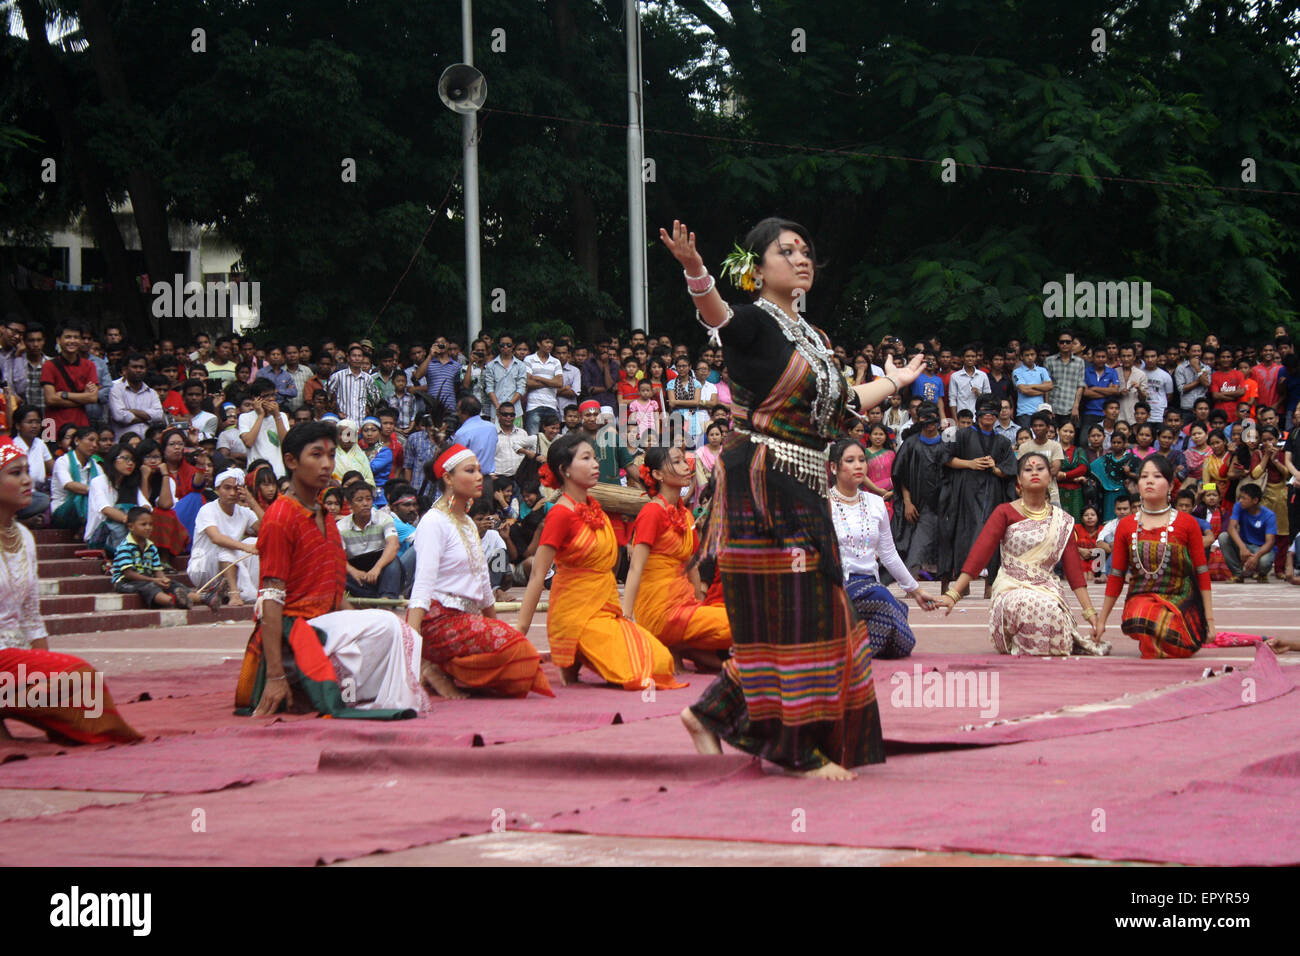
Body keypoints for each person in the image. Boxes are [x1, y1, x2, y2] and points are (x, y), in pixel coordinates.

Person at [659, 216, 924, 780]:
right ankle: (794, 748)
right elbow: (720, 319)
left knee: (817, 608)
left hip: (805, 482)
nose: (802, 259)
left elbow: (850, 401)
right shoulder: (754, 321)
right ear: (757, 270)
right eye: (787, 251)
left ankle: (714, 713)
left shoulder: (817, 338)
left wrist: (896, 382)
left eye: (806, 251)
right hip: (762, 477)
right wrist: (695, 270)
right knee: (793, 610)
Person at [234, 421, 432, 719]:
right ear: (291, 461)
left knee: (400, 632)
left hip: (327, 625)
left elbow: (335, 590)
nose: (327, 464)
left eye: (330, 455)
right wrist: (275, 677)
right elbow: (270, 600)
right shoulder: (279, 517)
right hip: (296, 631)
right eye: (316, 455)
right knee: (388, 625)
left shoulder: (325, 517)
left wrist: (356, 626)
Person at [0, 437, 141, 744]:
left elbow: (31, 615)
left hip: (13, 661)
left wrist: (43, 674)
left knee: (72, 690)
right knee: (80, 676)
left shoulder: (23, 536)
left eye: (27, 471)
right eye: (15, 473)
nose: (28, 480)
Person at [516, 431, 681, 691]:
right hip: (576, 615)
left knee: (661, 661)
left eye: (595, 457)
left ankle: (587, 656)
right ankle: (574, 649)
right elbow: (538, 574)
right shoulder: (560, 514)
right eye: (586, 458)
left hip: (605, 610)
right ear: (565, 470)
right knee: (643, 670)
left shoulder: (597, 510)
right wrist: (520, 633)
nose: (596, 464)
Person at [407, 443, 553, 698]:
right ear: (448, 478)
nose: (478, 477)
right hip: (437, 620)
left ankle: (444, 667)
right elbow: (423, 585)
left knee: (520, 666)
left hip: (465, 619)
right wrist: (412, 644)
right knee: (521, 655)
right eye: (470, 470)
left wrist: (495, 628)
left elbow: (485, 586)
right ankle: (428, 661)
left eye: (479, 470)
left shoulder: (466, 522)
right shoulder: (433, 522)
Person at [936, 453, 1109, 656]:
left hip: (1047, 589)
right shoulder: (1004, 512)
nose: (1034, 472)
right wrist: (953, 595)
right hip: (1011, 587)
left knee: (1049, 608)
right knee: (1026, 603)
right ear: (1018, 480)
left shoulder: (1063, 520)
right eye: (1027, 469)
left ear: (1050, 477)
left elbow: (1074, 572)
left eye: (1040, 469)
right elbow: (980, 554)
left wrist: (1092, 615)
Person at [622, 447, 732, 671]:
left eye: (685, 461)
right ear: (658, 475)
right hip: (660, 611)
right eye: (677, 462)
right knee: (743, 625)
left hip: (685, 606)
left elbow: (692, 567)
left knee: (739, 622)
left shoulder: (685, 514)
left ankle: (683, 647)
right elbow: (635, 568)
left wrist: (701, 606)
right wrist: (625, 618)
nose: (686, 466)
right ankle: (677, 643)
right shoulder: (652, 512)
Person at [1098, 455, 1217, 658]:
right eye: (1144, 477)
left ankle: (1163, 639)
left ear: (1170, 485)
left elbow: (1201, 572)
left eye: (1157, 476)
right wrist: (1101, 621)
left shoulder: (1187, 523)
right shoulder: (1126, 525)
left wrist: (1209, 621)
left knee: (1176, 637)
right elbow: (1116, 576)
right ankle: (1156, 638)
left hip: (1181, 602)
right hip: (1140, 601)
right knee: (1142, 616)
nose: (1149, 481)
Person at [829, 439, 936, 658]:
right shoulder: (823, 503)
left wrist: (915, 590)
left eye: (862, 460)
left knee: (902, 644)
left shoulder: (875, 503)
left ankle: (852, 647)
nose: (859, 466)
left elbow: (888, 553)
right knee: (885, 602)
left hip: (870, 584)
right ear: (833, 467)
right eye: (850, 461)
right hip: (837, 586)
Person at [939, 397, 1015, 594]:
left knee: (992, 535)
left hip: (992, 493)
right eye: (985, 410)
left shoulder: (1003, 441)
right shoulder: (959, 434)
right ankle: (962, 582)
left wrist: (995, 469)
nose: (989, 414)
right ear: (978, 413)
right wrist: (970, 463)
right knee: (963, 534)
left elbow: (1010, 469)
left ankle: (990, 583)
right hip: (965, 491)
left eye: (993, 411)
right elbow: (944, 458)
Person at [892, 403, 948, 582]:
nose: (930, 424)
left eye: (933, 419)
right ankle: (910, 579)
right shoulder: (911, 444)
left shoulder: (946, 443)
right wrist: (907, 502)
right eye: (925, 419)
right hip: (915, 501)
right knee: (916, 540)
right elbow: (901, 475)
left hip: (942, 501)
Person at [188, 469, 260, 605]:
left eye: (236, 489)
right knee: (227, 548)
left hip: (229, 565)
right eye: (227, 488)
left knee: (255, 542)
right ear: (217, 489)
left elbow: (266, 530)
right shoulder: (207, 509)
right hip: (203, 567)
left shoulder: (244, 512)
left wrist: (251, 500)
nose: (232, 493)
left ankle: (236, 591)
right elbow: (216, 538)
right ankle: (234, 595)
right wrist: (245, 547)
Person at [112, 507, 196, 609]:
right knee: (149, 587)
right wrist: (154, 580)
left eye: (150, 524)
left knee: (172, 584)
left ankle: (203, 598)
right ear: (131, 527)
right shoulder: (125, 547)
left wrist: (163, 579)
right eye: (143, 525)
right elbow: (129, 574)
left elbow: (157, 570)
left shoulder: (151, 546)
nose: (148, 528)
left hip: (147, 579)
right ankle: (173, 601)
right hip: (125, 582)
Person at [338, 482, 401, 601]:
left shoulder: (383, 518)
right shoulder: (341, 527)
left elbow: (393, 545)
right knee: (337, 571)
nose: (365, 504)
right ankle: (374, 598)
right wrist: (354, 571)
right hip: (355, 568)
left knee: (393, 562)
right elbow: (338, 556)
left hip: (380, 565)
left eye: (368, 499)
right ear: (350, 503)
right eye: (359, 500)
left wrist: (377, 568)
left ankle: (386, 599)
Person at [84, 443, 150, 553]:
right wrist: (133, 521)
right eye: (125, 458)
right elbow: (106, 509)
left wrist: (140, 520)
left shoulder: (130, 484)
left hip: (128, 529)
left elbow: (145, 506)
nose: (130, 463)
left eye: (133, 460)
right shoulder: (99, 482)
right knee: (124, 509)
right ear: (113, 460)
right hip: (101, 535)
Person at [1219, 482, 1277, 583]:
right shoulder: (1238, 507)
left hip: (1261, 548)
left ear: (1255, 500)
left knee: (1264, 562)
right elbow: (1231, 528)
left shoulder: (1269, 515)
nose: (1240, 501)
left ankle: (1262, 574)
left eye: (1244, 498)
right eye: (1240, 498)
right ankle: (1237, 574)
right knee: (1223, 537)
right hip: (1245, 544)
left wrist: (1257, 556)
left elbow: (1270, 542)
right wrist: (1242, 547)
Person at [50, 426, 101, 531]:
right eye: (91, 440)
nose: (95, 445)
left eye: (97, 442)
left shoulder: (96, 466)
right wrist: (94, 490)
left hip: (86, 510)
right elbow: (69, 485)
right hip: (62, 512)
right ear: (77, 440)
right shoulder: (63, 461)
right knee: (85, 496)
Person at [237, 379, 289, 477]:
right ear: (255, 398)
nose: (271, 399)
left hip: (279, 472)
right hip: (256, 473)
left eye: (273, 395)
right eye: (266, 396)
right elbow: (248, 442)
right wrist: (260, 415)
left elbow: (286, 443)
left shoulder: (282, 416)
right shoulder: (245, 417)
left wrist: (277, 415)